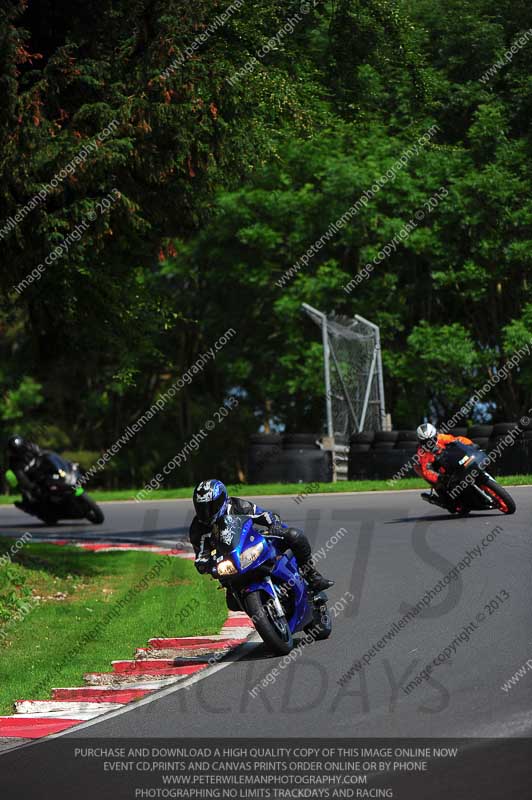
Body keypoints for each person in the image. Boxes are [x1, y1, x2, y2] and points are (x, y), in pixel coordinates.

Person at [189, 479, 334, 591]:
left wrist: (274, 525)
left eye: (210, 506)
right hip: (230, 562)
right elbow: (201, 554)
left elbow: (264, 514)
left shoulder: (237, 505)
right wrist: (203, 564)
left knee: (294, 535)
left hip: (251, 544)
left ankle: (312, 575)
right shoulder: (197, 528)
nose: (206, 512)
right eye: (202, 507)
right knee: (232, 602)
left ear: (222, 499)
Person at [415, 423, 474, 501]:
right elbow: (426, 471)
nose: (429, 443)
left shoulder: (442, 438)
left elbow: (458, 440)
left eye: (431, 440)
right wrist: (439, 478)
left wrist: (470, 445)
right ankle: (444, 499)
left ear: (436, 435)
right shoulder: (422, 453)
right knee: (440, 484)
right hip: (437, 469)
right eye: (425, 442)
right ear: (420, 442)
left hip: (452, 459)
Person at [5, 434, 44, 506]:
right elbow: (16, 474)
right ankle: (29, 495)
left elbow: (43, 454)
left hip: (40, 471)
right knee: (10, 475)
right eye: (14, 450)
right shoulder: (13, 461)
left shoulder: (31, 447)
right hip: (28, 478)